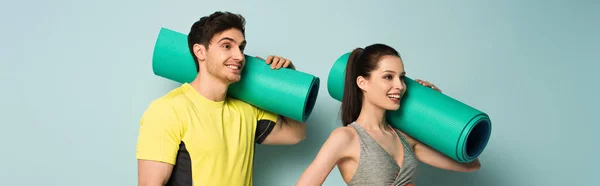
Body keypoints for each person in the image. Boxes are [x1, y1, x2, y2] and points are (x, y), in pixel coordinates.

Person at [136, 11, 307, 186]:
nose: (239, 56)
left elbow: (296, 133)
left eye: (241, 48)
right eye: (227, 46)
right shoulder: (167, 110)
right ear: (200, 52)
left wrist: (288, 79)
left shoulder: (248, 109)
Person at [296, 43, 481, 186]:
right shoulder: (345, 138)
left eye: (401, 77)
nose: (399, 85)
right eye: (388, 77)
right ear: (363, 83)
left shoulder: (406, 138)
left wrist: (438, 111)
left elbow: (470, 164)